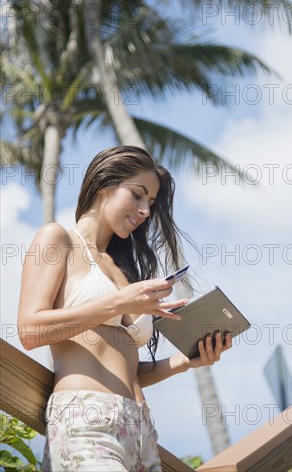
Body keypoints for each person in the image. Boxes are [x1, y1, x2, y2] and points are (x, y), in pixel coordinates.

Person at [18, 146, 232, 472]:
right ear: (105, 183)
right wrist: (119, 302)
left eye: (151, 203)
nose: (145, 210)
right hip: (85, 419)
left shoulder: (122, 272)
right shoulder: (57, 238)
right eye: (137, 195)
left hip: (141, 433)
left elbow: (122, 370)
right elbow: (30, 331)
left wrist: (186, 361)